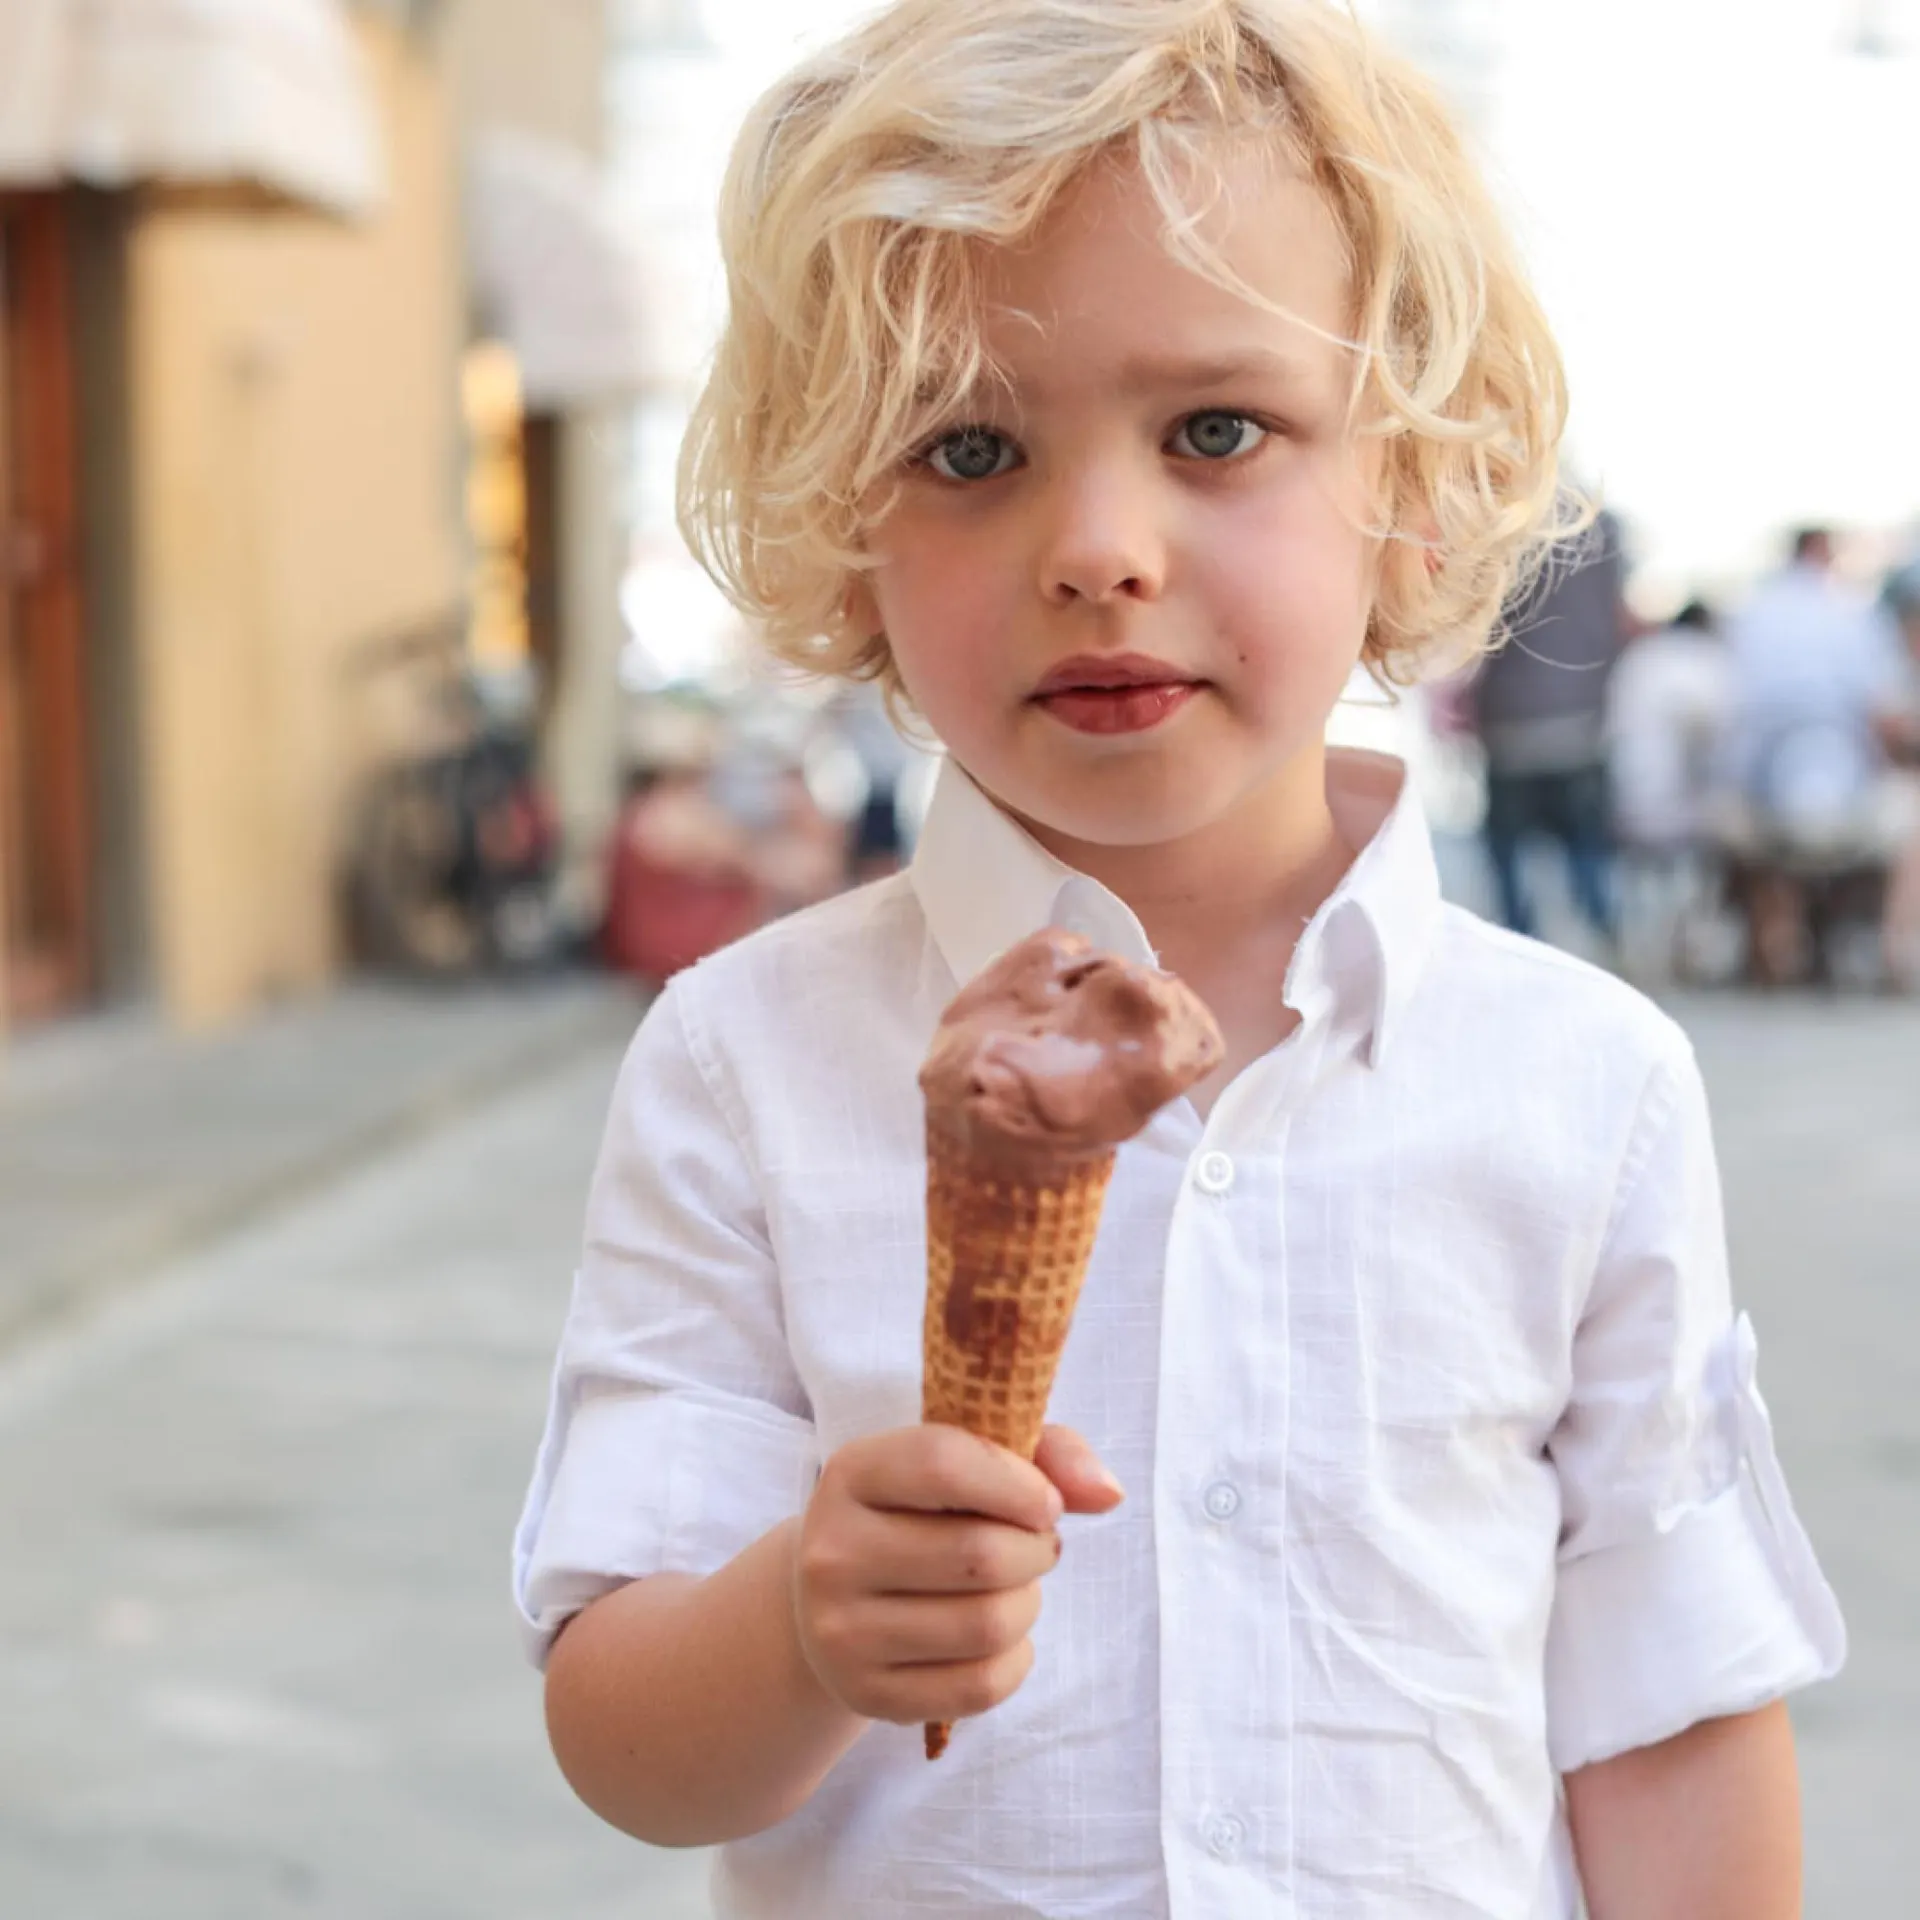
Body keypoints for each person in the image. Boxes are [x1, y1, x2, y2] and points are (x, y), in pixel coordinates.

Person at [514, 6, 1844, 1916]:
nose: (1099, 545)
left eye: (1218, 429)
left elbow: (1672, 1717)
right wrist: (796, 1627)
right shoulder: (745, 1056)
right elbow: (627, 1736)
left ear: (1412, 473)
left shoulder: (1588, 1084)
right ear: (849, 530)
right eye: (970, 447)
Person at [1716, 528, 1913, 984]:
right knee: (1906, 818)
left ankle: (1770, 946)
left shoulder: (1752, 613)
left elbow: (1729, 715)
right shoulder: (1853, 614)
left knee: (1740, 822)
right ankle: (1893, 951)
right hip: (1841, 805)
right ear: (1824, 552)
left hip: (1763, 803)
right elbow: (1882, 715)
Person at [1470, 508, 1629, 948]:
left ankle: (1518, 936)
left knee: (1508, 843)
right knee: (1584, 839)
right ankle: (1602, 928)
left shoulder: (1502, 524)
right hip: (1580, 715)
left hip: (1510, 717)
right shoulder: (1604, 529)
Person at [1604, 598, 1732, 975]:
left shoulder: (1641, 657)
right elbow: (1713, 731)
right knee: (1702, 864)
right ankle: (1682, 947)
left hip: (1625, 792)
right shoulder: (1704, 661)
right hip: (1678, 802)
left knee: (1638, 877)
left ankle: (1645, 946)